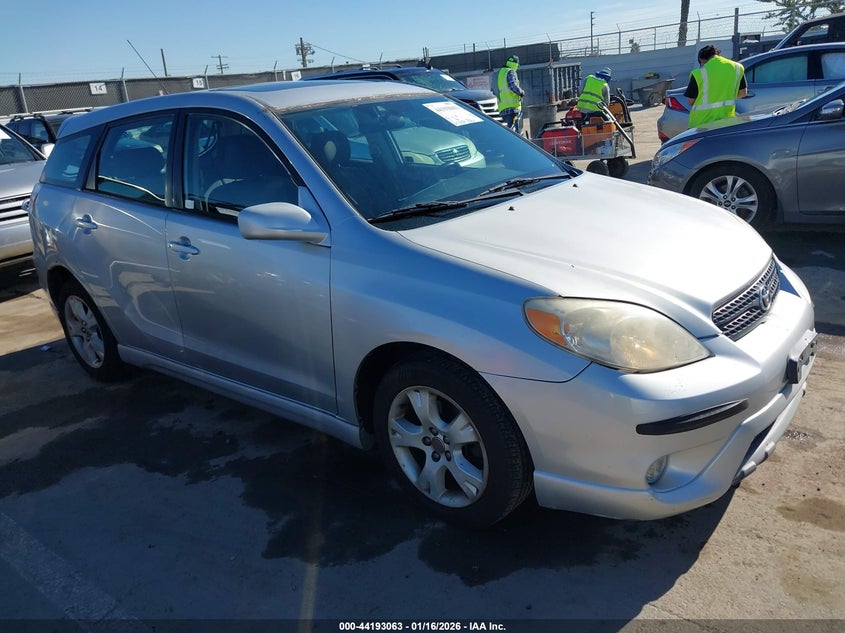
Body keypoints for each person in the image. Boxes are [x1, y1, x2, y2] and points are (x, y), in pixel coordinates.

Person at [685, 45, 747, 128]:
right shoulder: (737, 67)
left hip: (700, 124)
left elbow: (690, 101)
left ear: (701, 59)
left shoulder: (698, 73)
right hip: (726, 121)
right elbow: (743, 93)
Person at [497, 55, 525, 132]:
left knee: (506, 133)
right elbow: (513, 86)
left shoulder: (501, 72)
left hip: (502, 109)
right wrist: (521, 92)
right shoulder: (510, 72)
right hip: (512, 109)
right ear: (515, 64)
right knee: (515, 134)